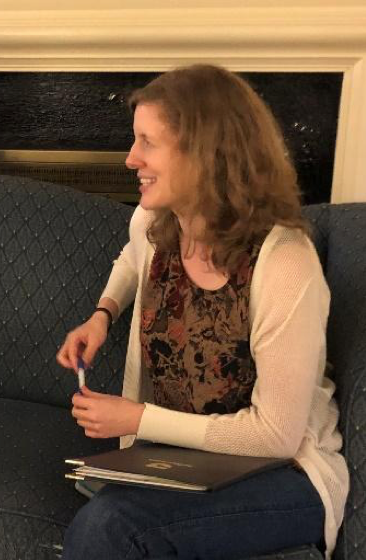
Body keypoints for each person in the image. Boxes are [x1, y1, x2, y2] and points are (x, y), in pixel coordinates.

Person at [56, 64, 348, 559]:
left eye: (147, 142)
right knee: (101, 500)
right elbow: (131, 260)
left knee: (112, 527)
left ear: (206, 153)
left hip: (286, 475)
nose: (130, 159)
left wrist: (138, 419)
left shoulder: (285, 263)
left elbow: (276, 435)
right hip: (190, 461)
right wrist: (102, 314)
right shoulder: (155, 221)